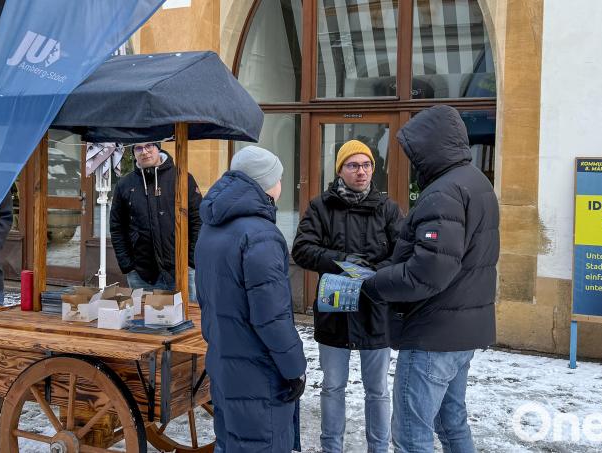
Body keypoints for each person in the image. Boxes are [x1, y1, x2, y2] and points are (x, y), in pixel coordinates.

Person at [362, 106, 500, 453]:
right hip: (461, 330)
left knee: (411, 434)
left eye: (413, 151)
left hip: (432, 333)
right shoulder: (476, 182)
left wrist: (376, 282)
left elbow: (429, 272)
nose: (410, 160)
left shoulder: (445, 191)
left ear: (430, 147)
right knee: (452, 422)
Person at [292, 139, 401, 453]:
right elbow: (302, 249)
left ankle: (379, 448)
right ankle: (331, 448)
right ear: (340, 170)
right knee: (332, 387)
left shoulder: (388, 208)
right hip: (334, 310)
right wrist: (345, 261)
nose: (361, 171)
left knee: (378, 390)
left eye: (366, 165)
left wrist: (374, 273)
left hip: (375, 311)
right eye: (353, 165)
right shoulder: (321, 206)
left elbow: (402, 254)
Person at [195, 146, 306, 452]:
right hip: (259, 372)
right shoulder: (261, 235)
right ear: (266, 182)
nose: (282, 183)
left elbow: (204, 296)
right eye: (279, 177)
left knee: (230, 442)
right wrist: (294, 368)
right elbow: (271, 318)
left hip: (224, 361)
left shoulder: (211, 228)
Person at [110, 142, 202, 297]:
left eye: (149, 146)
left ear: (158, 148)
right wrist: (127, 265)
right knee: (143, 319)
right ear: (133, 153)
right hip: (141, 274)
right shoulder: (125, 185)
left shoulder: (182, 178)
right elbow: (117, 227)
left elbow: (198, 220)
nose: (144, 152)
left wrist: (191, 261)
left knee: (187, 318)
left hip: (182, 270)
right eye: (138, 148)